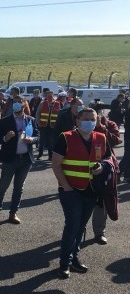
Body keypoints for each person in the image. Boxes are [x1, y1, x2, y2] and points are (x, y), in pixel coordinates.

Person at [51, 108, 111, 279]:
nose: (90, 122)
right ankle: (64, 263)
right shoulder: (66, 137)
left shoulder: (101, 138)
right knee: (72, 225)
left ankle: (74, 258)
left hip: (91, 191)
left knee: (80, 227)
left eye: (93, 119)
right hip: (71, 190)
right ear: (77, 120)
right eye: (86, 119)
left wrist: (103, 166)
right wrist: (66, 187)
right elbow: (56, 164)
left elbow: (107, 159)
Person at [0, 96, 40, 224]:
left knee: (19, 187)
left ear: (25, 104)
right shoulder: (5, 121)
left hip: (25, 159)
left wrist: (32, 140)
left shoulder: (30, 120)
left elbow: (38, 135)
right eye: (14, 102)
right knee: (3, 186)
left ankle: (13, 213)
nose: (16, 104)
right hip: (10, 159)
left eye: (19, 102)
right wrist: (5, 138)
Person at [89, 108, 122, 245]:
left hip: (105, 169)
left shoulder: (110, 124)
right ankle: (76, 231)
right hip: (84, 170)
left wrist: (101, 127)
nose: (92, 120)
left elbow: (116, 140)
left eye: (97, 114)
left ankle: (99, 232)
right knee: (81, 203)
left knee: (102, 202)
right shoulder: (80, 126)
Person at [36, 90, 60, 160]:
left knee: (50, 141)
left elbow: (59, 115)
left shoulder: (57, 104)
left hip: (52, 126)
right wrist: (38, 123)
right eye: (48, 95)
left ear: (53, 95)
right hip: (43, 125)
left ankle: (50, 156)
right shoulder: (42, 103)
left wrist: (57, 125)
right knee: (42, 141)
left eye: (51, 95)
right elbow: (38, 113)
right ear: (46, 96)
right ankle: (40, 154)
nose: (50, 96)